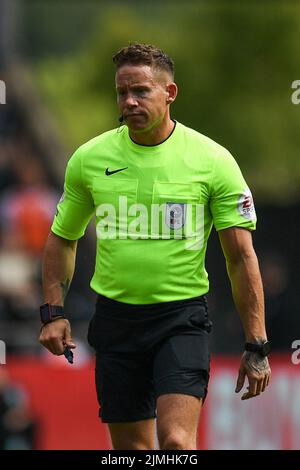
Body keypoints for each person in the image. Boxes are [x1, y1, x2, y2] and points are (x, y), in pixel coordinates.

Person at [39, 43, 271, 450]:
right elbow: (62, 238)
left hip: (181, 319)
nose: (128, 101)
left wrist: (256, 344)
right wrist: (52, 313)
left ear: (170, 93)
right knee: (132, 451)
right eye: (121, 92)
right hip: (115, 320)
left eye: (141, 91)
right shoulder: (89, 159)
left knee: (177, 443)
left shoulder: (212, 160)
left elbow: (240, 257)